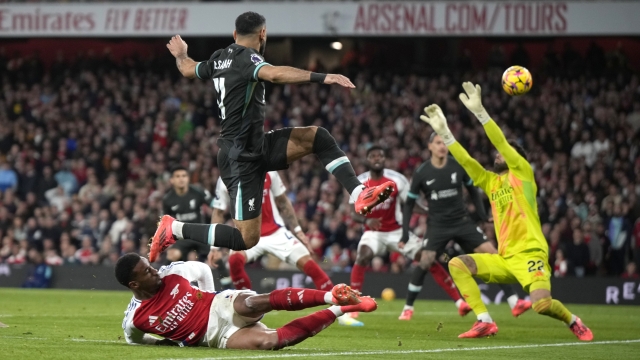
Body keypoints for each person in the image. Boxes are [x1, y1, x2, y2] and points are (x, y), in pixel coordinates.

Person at [151, 11, 395, 260]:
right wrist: (324, 77)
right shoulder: (249, 58)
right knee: (246, 239)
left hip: (258, 146)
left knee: (318, 137)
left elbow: (188, 69)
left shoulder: (217, 59)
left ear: (235, 34)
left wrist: (181, 53)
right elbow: (275, 73)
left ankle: (359, 193)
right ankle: (174, 229)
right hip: (240, 158)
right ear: (263, 33)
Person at [420, 81, 593, 340]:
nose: (499, 155)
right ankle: (484, 320)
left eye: (506, 153)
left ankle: (572, 320)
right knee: (457, 264)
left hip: (530, 253)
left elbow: (500, 143)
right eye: (500, 154)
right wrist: (445, 133)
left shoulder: (522, 173)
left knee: (542, 305)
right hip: (505, 258)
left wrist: (481, 113)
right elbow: (466, 161)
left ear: (516, 157)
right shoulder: (491, 182)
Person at [397, 134, 531, 321]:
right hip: (438, 225)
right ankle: (408, 308)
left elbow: (473, 190)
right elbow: (409, 204)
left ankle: (514, 302)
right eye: (438, 143)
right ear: (430, 146)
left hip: (462, 222)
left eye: (445, 142)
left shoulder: (456, 165)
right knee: (425, 261)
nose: (442, 146)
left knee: (492, 254)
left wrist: (483, 215)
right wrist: (404, 234)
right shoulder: (422, 172)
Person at [116, 253, 376, 349]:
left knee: (252, 303)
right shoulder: (136, 319)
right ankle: (341, 308)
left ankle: (332, 294)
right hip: (215, 338)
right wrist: (164, 342)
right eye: (147, 272)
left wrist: (212, 295)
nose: (154, 271)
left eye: (150, 265)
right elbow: (133, 339)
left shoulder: (173, 272)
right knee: (270, 342)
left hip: (221, 303)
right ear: (134, 285)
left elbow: (204, 270)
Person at [212, 171, 362, 326]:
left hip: (276, 233)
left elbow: (283, 201)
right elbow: (218, 211)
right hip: (246, 233)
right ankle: (246, 309)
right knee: (234, 260)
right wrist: (213, 247)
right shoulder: (225, 178)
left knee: (310, 265)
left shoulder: (269, 172)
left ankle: (340, 311)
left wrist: (298, 231)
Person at [347, 146, 427, 321]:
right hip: (372, 231)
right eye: (373, 156)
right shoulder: (359, 181)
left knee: (426, 257)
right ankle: (353, 303)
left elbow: (410, 204)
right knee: (363, 255)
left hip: (396, 230)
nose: (377, 158)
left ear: (385, 159)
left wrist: (428, 211)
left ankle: (459, 301)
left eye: (380, 156)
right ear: (367, 159)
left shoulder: (397, 179)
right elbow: (352, 212)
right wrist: (366, 220)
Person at [162, 165, 230, 287]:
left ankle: (229, 288)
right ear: (171, 180)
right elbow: (165, 222)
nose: (181, 179)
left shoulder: (198, 192)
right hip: (182, 236)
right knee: (173, 255)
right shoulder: (168, 199)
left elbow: (216, 206)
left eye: (184, 176)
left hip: (200, 233)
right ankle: (163, 286)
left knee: (216, 256)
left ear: (188, 178)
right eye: (177, 176)